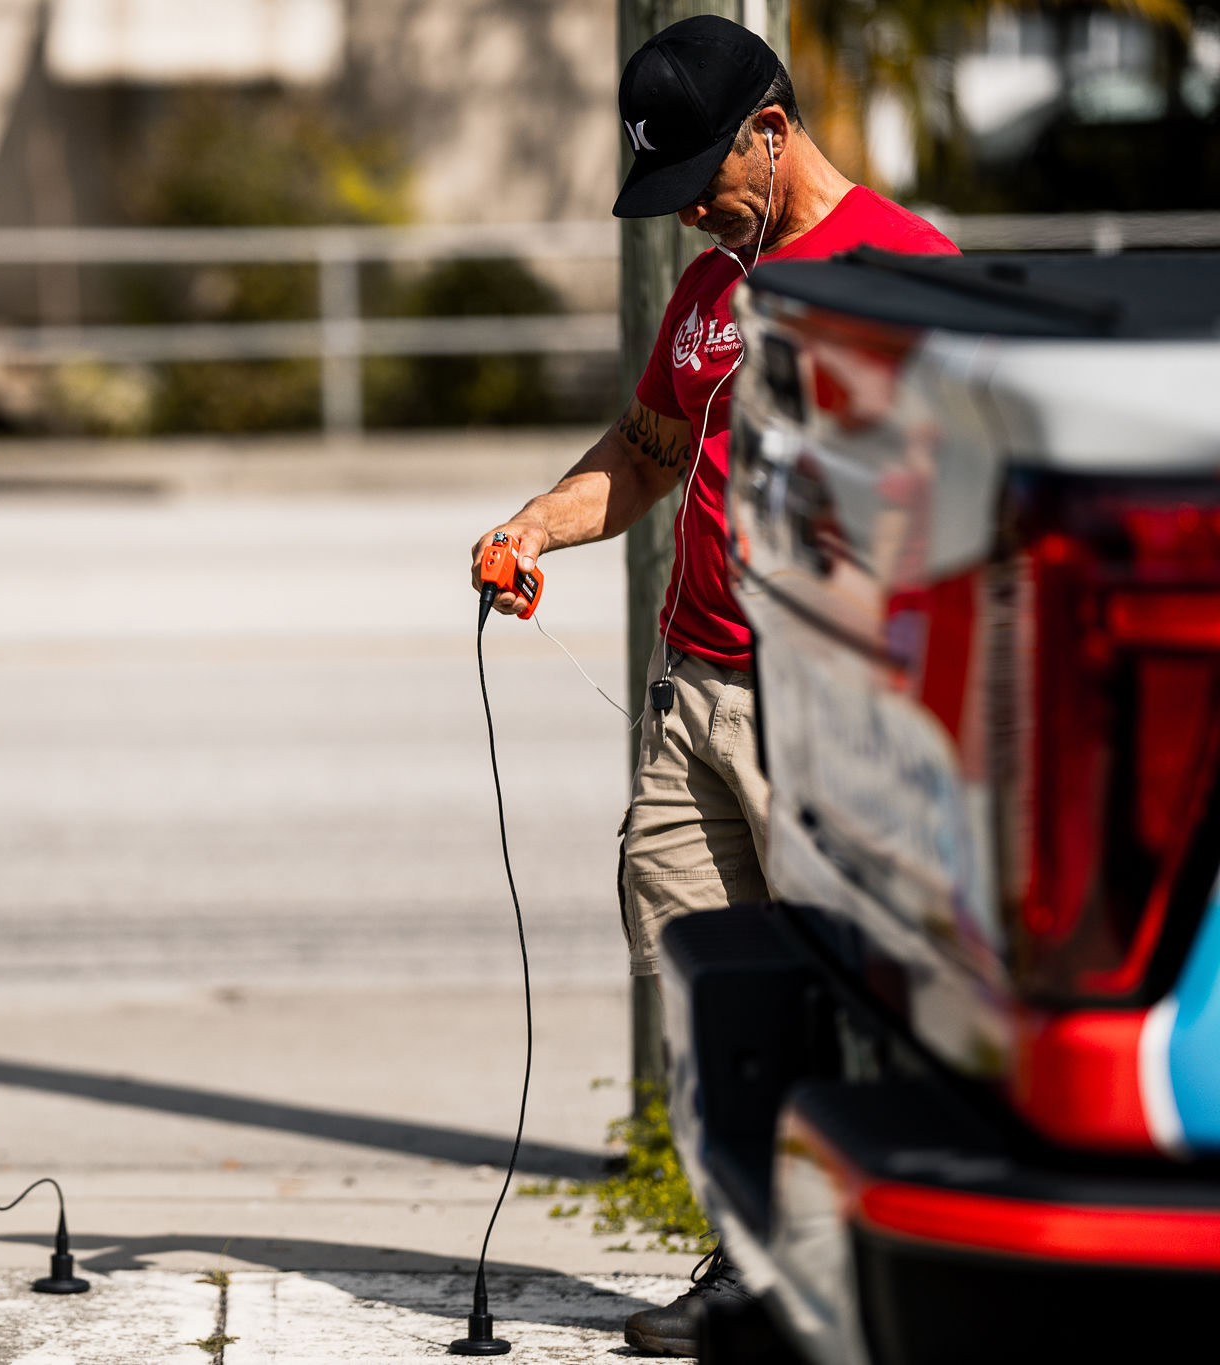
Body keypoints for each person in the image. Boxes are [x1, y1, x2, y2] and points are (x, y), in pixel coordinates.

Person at [468, 17, 956, 1359]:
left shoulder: (909, 276)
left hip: (832, 708)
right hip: (692, 691)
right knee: (699, 978)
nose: (689, 214)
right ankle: (740, 1254)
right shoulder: (703, 296)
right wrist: (536, 525)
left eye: (702, 180)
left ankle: (848, 1264)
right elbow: (642, 451)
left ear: (772, 130)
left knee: (839, 1001)